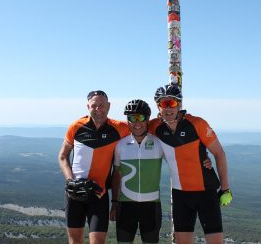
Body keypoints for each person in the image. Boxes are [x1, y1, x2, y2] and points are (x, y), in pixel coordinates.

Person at [110, 99, 213, 243]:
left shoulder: (159, 142)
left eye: (141, 118)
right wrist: (114, 203)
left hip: (151, 207)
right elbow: (116, 174)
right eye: (132, 118)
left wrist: (204, 157)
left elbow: (181, 157)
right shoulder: (121, 145)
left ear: (148, 119)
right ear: (127, 120)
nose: (137, 123)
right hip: (125, 206)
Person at [149, 85, 232, 244]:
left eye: (171, 103)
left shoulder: (197, 124)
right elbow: (133, 127)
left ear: (179, 105)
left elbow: (219, 153)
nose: (167, 108)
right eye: (163, 104)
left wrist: (225, 188)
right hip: (180, 195)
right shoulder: (155, 127)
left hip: (206, 192)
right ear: (157, 106)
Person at [58, 90, 129, 244]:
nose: (98, 109)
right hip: (74, 193)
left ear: (109, 106)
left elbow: (141, 126)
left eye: (102, 105)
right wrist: (71, 181)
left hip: (99, 194)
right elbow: (63, 156)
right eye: (94, 106)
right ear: (87, 107)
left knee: (97, 241)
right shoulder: (76, 126)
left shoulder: (119, 128)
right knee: (75, 240)